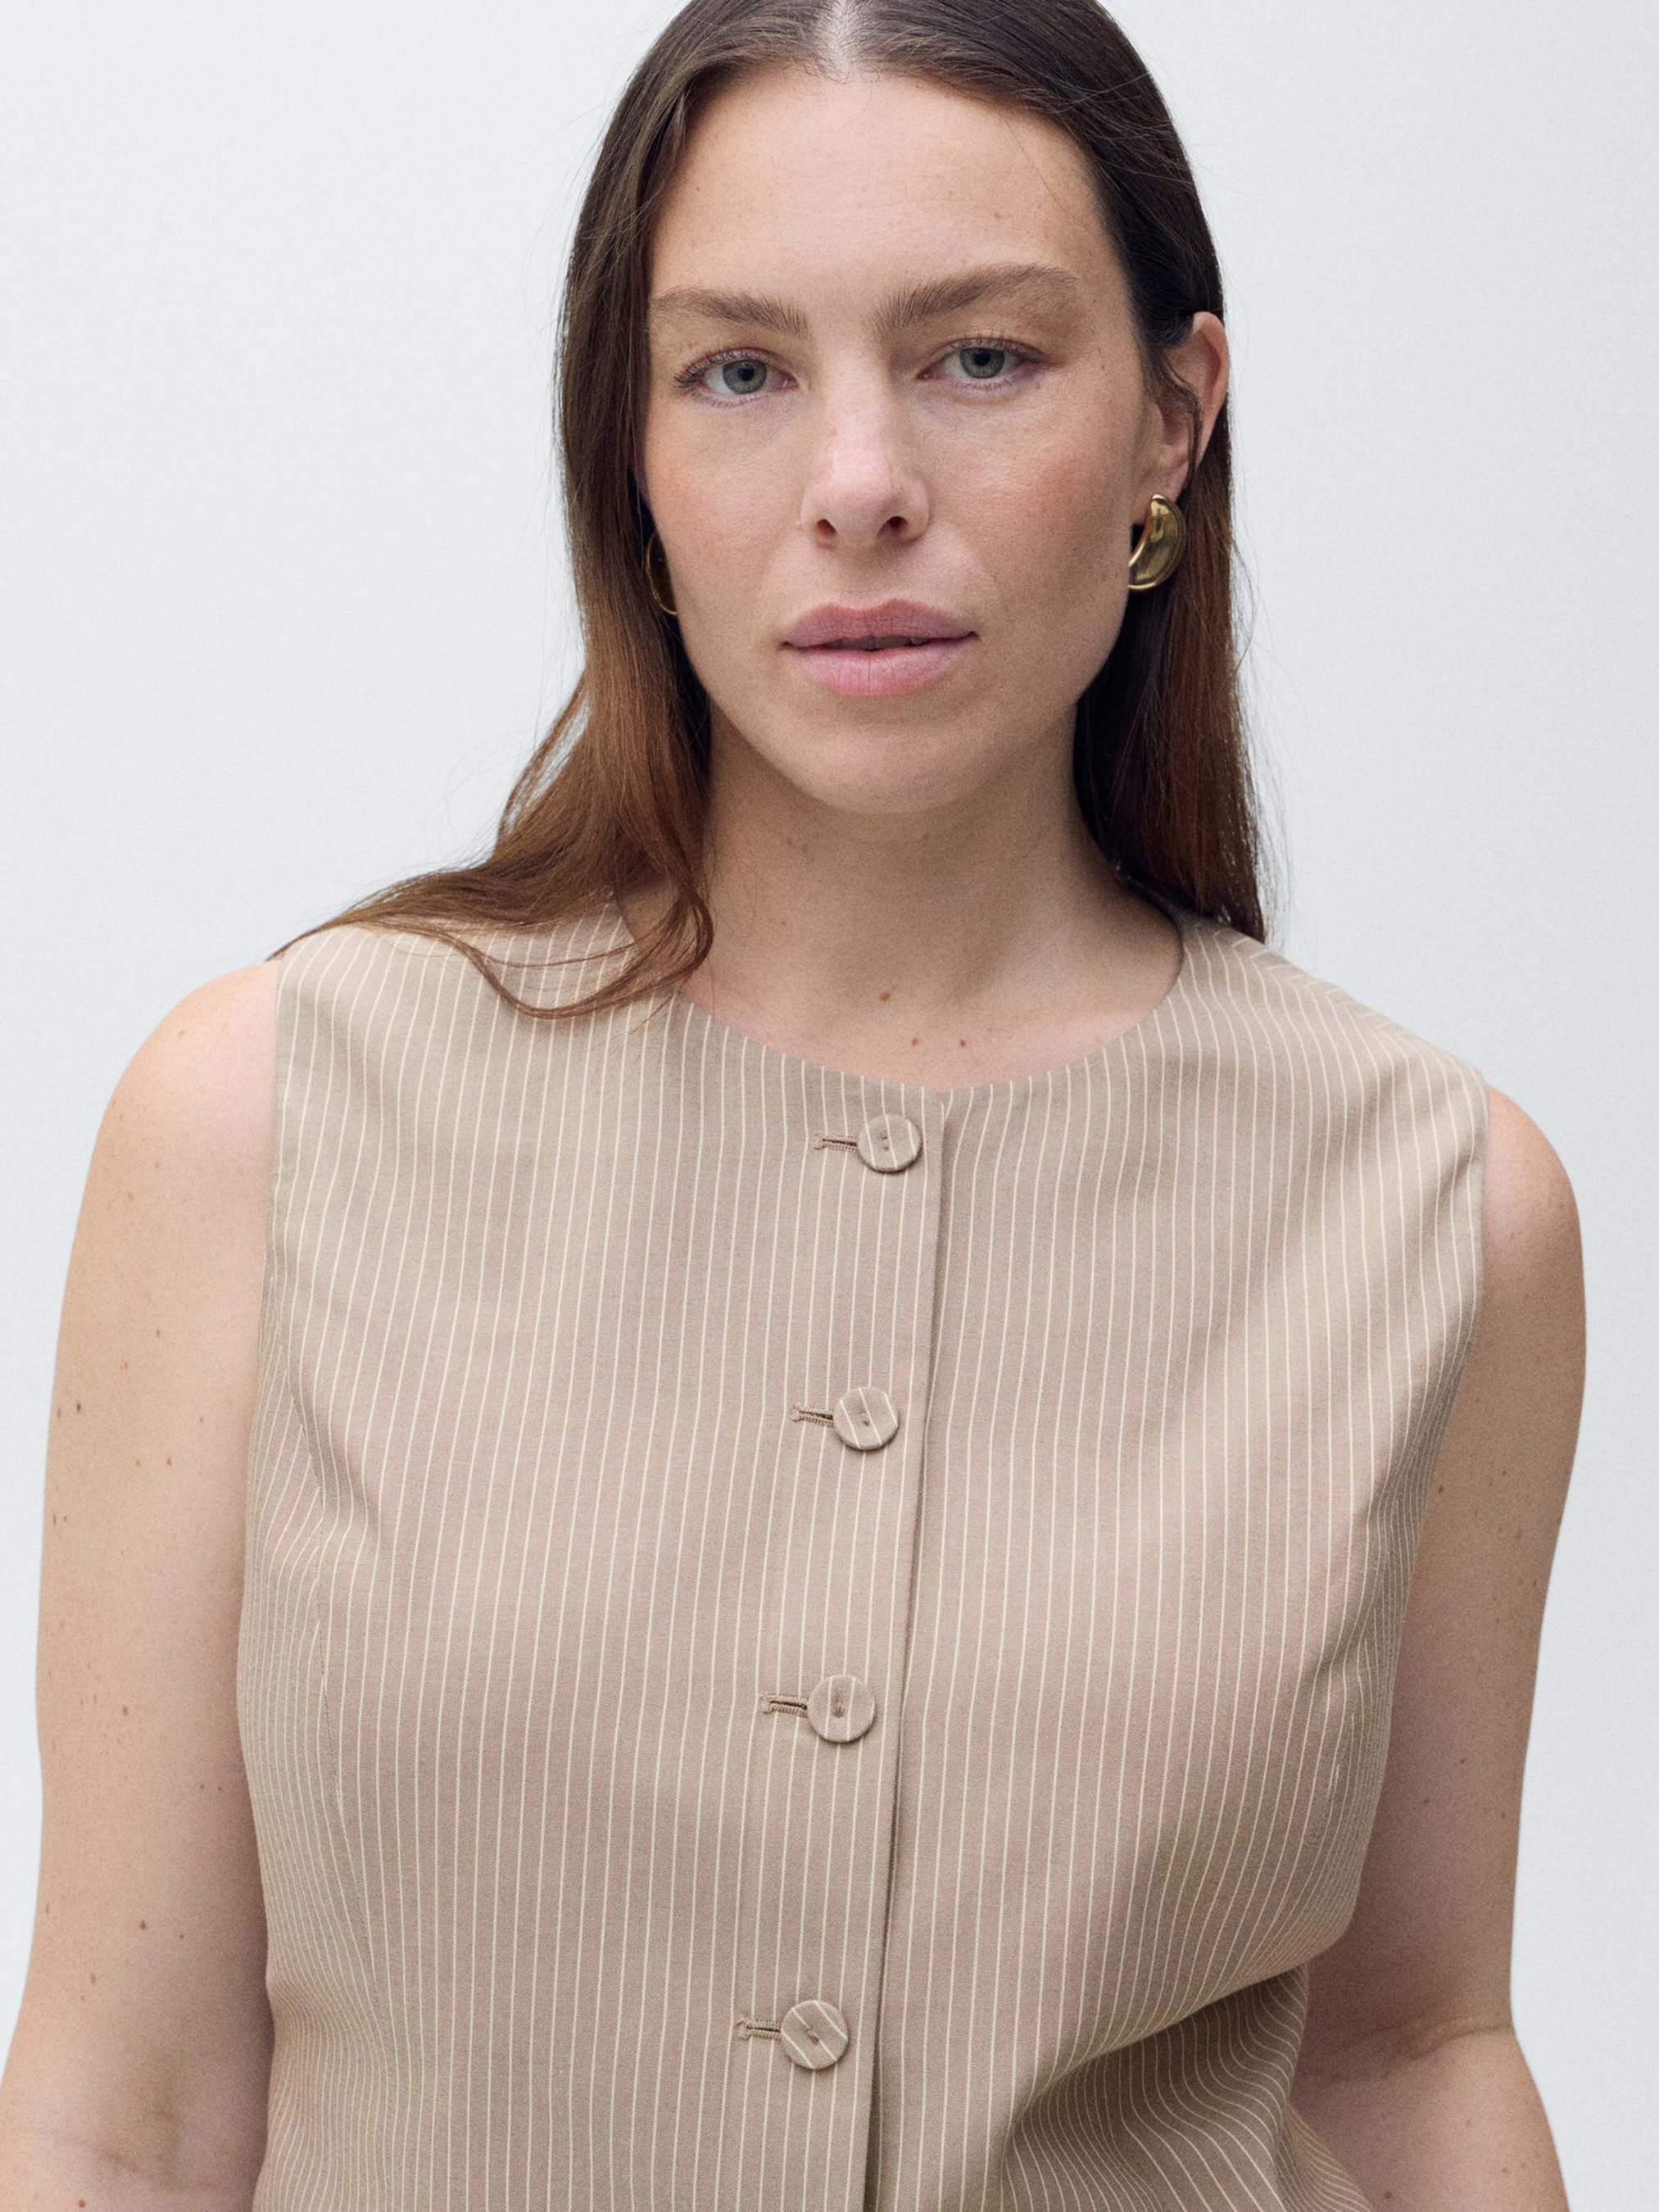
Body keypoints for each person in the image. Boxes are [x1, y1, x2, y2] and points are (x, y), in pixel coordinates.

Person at [0, 2, 1582, 2207]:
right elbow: (126, 2111)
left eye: (979, 357)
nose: (860, 481)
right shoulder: (263, 1123)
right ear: (629, 456)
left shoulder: (1438, 1205)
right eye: (738, 371)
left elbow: (1410, 2052)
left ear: (1173, 417)